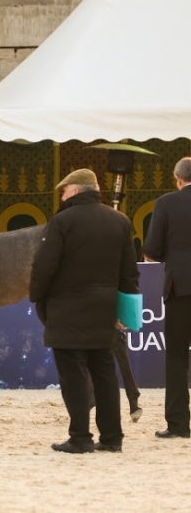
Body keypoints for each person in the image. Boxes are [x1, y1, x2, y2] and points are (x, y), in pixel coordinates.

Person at [29, 168, 139, 454]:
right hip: (104, 311)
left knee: (74, 375)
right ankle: (112, 438)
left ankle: (80, 437)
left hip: (67, 311)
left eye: (63, 192)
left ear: (75, 190)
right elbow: (129, 273)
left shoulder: (61, 222)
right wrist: (127, 313)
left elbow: (44, 267)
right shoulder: (121, 221)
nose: (62, 198)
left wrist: (37, 297)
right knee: (104, 373)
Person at [143, 157, 191, 439]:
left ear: (177, 179)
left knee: (176, 356)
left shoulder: (166, 203)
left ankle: (179, 424)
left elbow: (152, 249)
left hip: (180, 287)